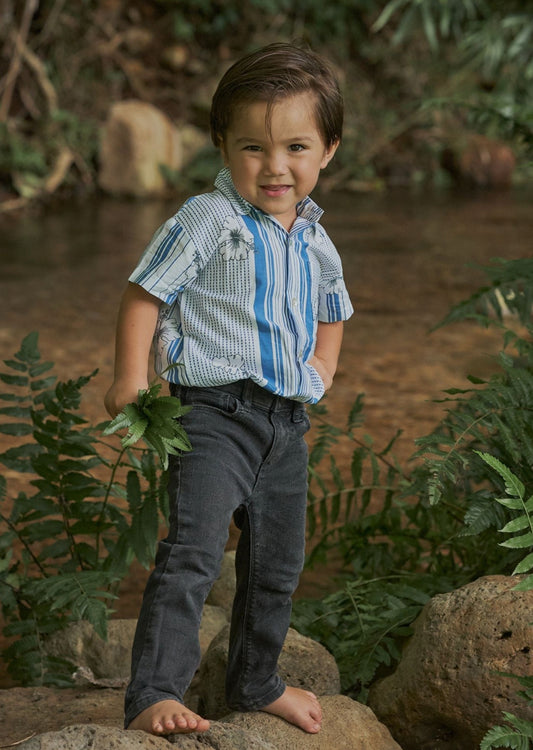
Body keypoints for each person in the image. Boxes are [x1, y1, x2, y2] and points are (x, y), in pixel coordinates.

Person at [104, 41, 354, 737]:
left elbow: (333, 309)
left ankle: (255, 679)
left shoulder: (314, 240)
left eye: (296, 147)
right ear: (221, 145)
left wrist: (322, 372)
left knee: (276, 561)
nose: (275, 166)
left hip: (285, 423)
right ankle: (154, 692)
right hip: (212, 412)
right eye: (252, 147)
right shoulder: (206, 220)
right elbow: (143, 295)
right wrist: (131, 378)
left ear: (327, 150)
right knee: (192, 550)